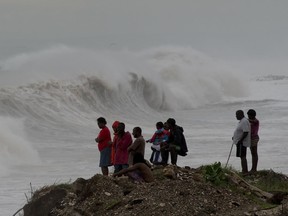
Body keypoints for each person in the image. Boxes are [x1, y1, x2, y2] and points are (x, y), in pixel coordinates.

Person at [232, 110, 251, 175]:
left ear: (241, 114)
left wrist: (240, 140)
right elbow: (240, 131)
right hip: (240, 142)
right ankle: (244, 170)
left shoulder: (244, 121)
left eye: (237, 115)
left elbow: (246, 132)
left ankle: (245, 171)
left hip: (242, 143)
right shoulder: (242, 121)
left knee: (243, 156)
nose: (236, 116)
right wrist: (234, 137)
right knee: (241, 156)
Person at [247, 109, 260, 174]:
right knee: (253, 154)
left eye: (249, 115)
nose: (248, 117)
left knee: (254, 153)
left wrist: (245, 120)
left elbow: (252, 122)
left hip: (254, 138)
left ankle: (254, 169)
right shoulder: (251, 121)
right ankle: (253, 169)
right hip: (251, 138)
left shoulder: (255, 121)